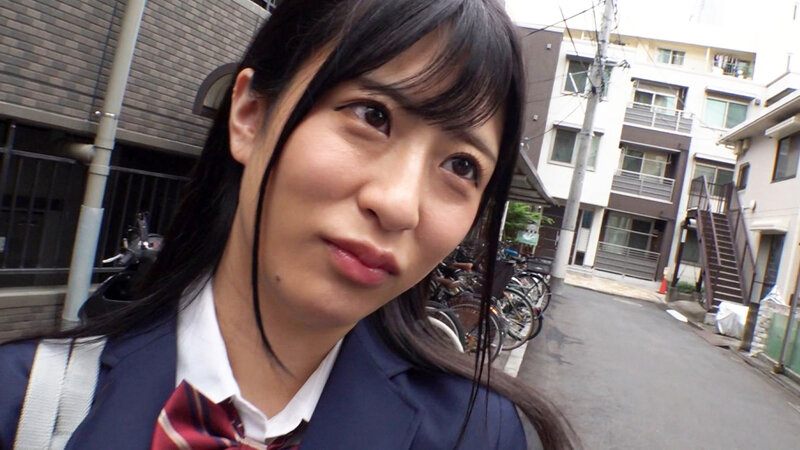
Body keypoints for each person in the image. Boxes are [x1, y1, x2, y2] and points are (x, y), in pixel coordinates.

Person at [0, 0, 577, 448]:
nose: (400, 205)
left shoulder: (475, 435)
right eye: (372, 115)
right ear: (249, 115)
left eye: (461, 166)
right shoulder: (24, 407)